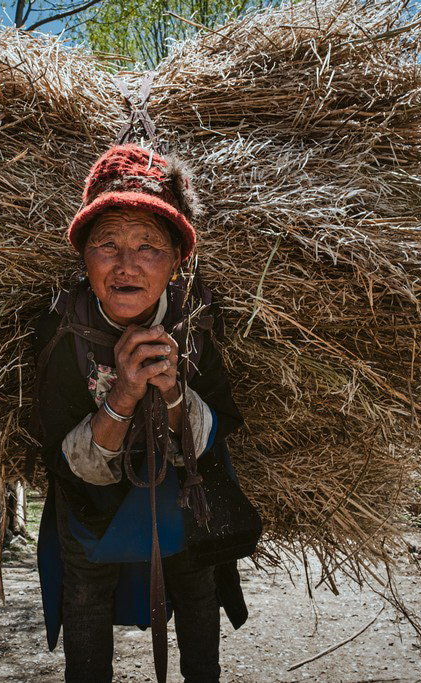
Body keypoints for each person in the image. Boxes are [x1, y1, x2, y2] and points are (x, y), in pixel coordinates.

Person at [33, 144, 252, 683]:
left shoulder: (197, 322)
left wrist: (172, 393)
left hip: (183, 492)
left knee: (197, 589)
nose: (126, 265)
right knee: (86, 596)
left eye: (148, 246)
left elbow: (223, 422)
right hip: (89, 503)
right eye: (107, 243)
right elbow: (59, 454)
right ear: (84, 257)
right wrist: (124, 397)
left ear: (177, 259)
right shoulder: (60, 331)